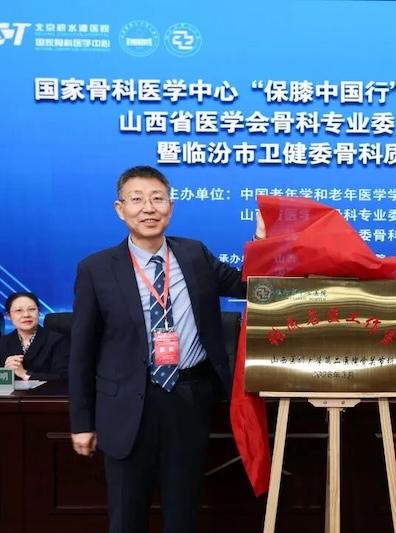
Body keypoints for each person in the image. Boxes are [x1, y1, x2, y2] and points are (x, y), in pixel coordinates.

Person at [68, 165, 258, 533]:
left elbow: (247, 286)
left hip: (188, 398)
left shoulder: (195, 254)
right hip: (126, 403)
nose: (148, 208)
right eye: (137, 199)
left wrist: (262, 241)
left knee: (183, 511)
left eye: (157, 199)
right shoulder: (96, 269)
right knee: (126, 515)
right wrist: (82, 422)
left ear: (170, 207)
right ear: (120, 209)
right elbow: (82, 353)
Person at [0, 291, 68, 381]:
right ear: (9, 316)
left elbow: (64, 378)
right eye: (19, 310)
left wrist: (24, 374)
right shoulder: (1, 343)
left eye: (31, 309)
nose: (26, 315)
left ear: (39, 312)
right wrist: (5, 373)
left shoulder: (57, 341)